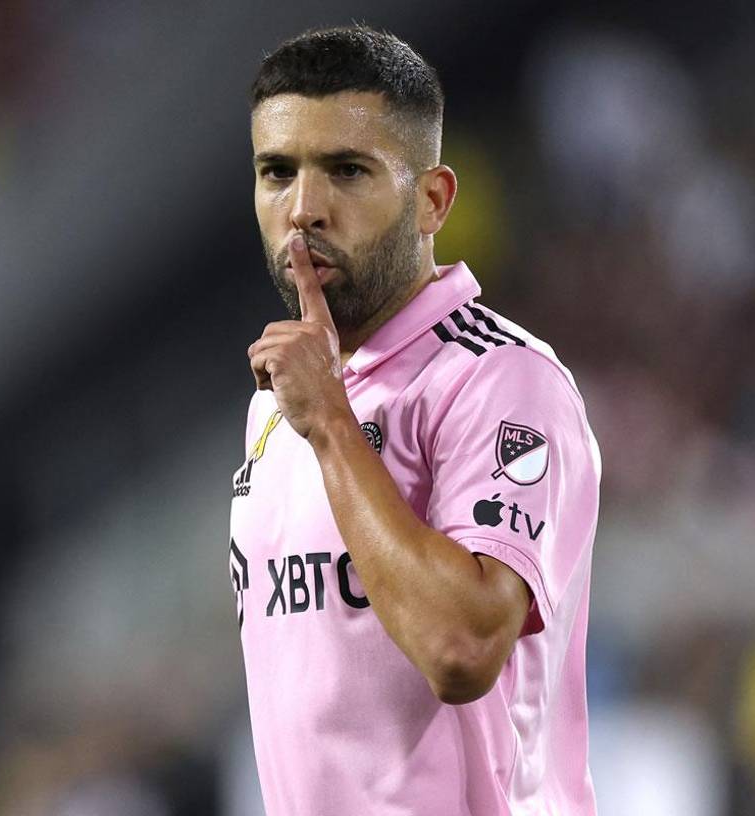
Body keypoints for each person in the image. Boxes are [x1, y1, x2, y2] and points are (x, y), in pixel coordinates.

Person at [228, 24, 601, 815]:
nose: (303, 209)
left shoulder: (500, 381)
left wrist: (330, 421)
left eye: (348, 171)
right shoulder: (281, 405)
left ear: (433, 200)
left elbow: (462, 649)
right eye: (277, 172)